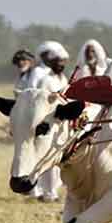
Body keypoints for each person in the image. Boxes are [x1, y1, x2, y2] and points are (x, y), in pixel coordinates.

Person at [31, 41, 70, 202]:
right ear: (52, 64)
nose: (60, 65)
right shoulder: (45, 80)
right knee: (47, 158)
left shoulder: (65, 79)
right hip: (48, 122)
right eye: (57, 63)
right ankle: (47, 192)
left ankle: (53, 191)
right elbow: (40, 100)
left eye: (62, 63)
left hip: (63, 123)